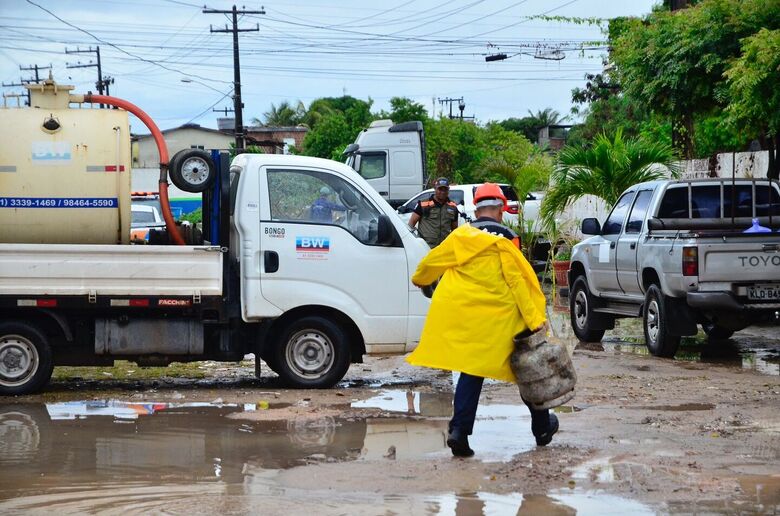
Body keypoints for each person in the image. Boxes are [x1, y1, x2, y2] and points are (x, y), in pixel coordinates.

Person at [407, 182, 558, 457]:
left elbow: (431, 264)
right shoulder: (507, 239)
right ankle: (543, 426)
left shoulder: (461, 236)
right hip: (504, 322)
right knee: (528, 371)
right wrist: (535, 319)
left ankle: (459, 432)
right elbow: (516, 281)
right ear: (501, 211)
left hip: (470, 321)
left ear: (476, 210)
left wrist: (420, 279)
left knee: (471, 371)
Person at [408, 177, 459, 247]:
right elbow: (411, 225)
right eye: (440, 189)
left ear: (448, 190)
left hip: (444, 247)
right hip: (426, 246)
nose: (443, 192)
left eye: (445, 189)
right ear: (435, 189)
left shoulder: (452, 207)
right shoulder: (423, 204)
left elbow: (455, 230)